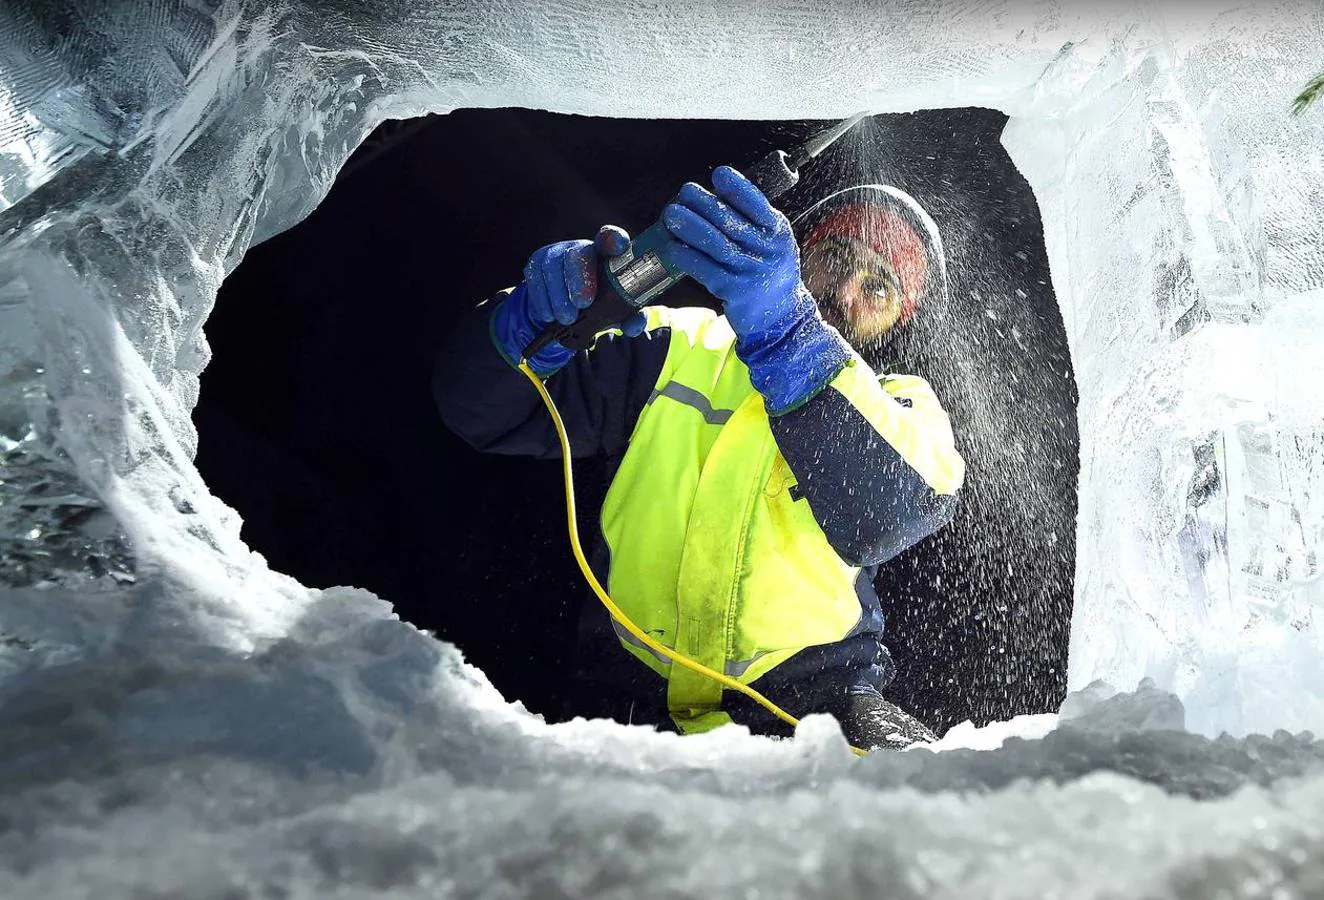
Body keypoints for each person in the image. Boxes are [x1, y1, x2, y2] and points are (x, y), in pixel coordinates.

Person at [433, 165, 965, 750]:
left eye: (878, 287)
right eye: (838, 258)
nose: (846, 291)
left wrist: (789, 335)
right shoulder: (677, 342)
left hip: (816, 708)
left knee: (926, 811)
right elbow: (481, 412)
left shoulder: (901, 401)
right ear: (801, 252)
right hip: (625, 699)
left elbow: (884, 517)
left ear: (898, 320)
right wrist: (525, 322)